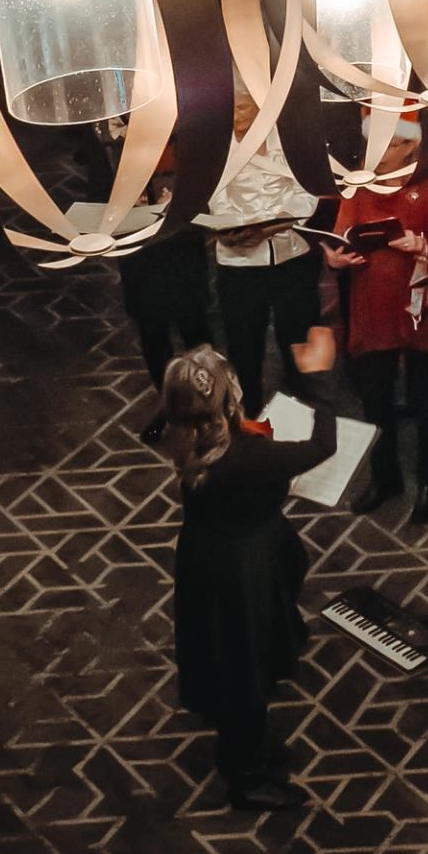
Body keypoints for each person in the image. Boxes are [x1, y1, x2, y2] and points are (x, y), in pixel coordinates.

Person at [162, 329, 336, 811]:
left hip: (206, 557)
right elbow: (323, 444)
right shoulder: (249, 455)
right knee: (247, 668)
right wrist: (318, 378)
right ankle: (245, 775)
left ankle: (240, 740)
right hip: (246, 570)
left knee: (225, 654)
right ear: (229, 394)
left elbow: (198, 418)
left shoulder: (177, 428)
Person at [321, 119, 428, 522]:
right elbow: (340, 235)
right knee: (375, 400)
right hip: (373, 309)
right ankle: (386, 477)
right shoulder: (360, 185)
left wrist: (422, 245)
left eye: (390, 145)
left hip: (421, 310)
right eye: (375, 143)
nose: (378, 153)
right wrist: (335, 258)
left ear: (409, 149)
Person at [199, 93, 322, 417]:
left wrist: (271, 227)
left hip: (290, 254)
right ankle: (248, 409)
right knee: (243, 341)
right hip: (239, 262)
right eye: (231, 107)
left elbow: (306, 191)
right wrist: (236, 230)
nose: (235, 115)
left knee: (296, 332)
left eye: (241, 107)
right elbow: (216, 196)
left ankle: (302, 399)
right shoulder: (217, 146)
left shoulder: (290, 141)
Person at [121, 223, 214, 437]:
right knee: (152, 333)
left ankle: (211, 403)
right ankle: (168, 404)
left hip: (181, 242)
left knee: (195, 330)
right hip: (138, 246)